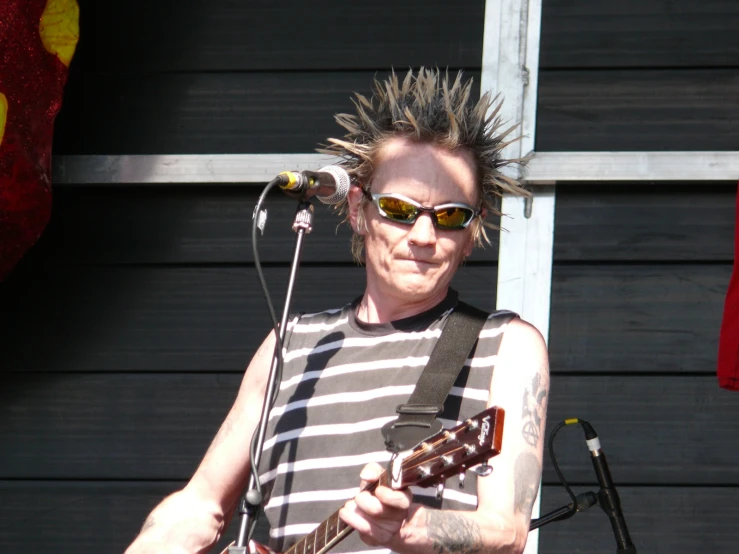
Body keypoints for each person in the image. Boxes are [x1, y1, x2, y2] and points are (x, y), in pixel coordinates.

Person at [125, 68, 549, 554]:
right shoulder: (292, 342)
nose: (424, 236)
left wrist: (408, 528)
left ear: (474, 230)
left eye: (451, 216)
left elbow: (509, 531)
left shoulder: (505, 345)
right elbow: (199, 508)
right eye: (399, 209)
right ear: (357, 209)